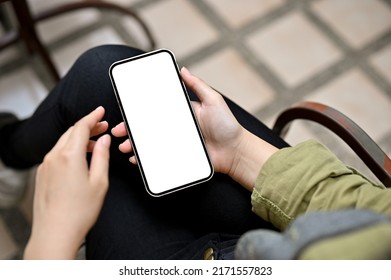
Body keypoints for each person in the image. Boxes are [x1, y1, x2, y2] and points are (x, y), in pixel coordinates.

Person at [0, 45, 390, 260]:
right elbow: (375, 211)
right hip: (272, 243)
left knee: (100, 157)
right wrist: (237, 152)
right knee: (99, 72)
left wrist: (51, 243)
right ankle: (8, 156)